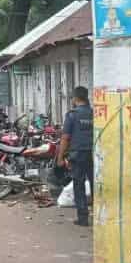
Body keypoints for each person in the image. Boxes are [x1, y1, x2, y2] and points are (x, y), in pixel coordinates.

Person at [57, 87, 93, 227]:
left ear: (76, 98)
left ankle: (83, 218)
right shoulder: (94, 113)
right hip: (94, 154)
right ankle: (100, 216)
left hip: (78, 155)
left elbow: (65, 138)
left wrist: (60, 157)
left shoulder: (72, 115)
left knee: (79, 185)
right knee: (95, 185)